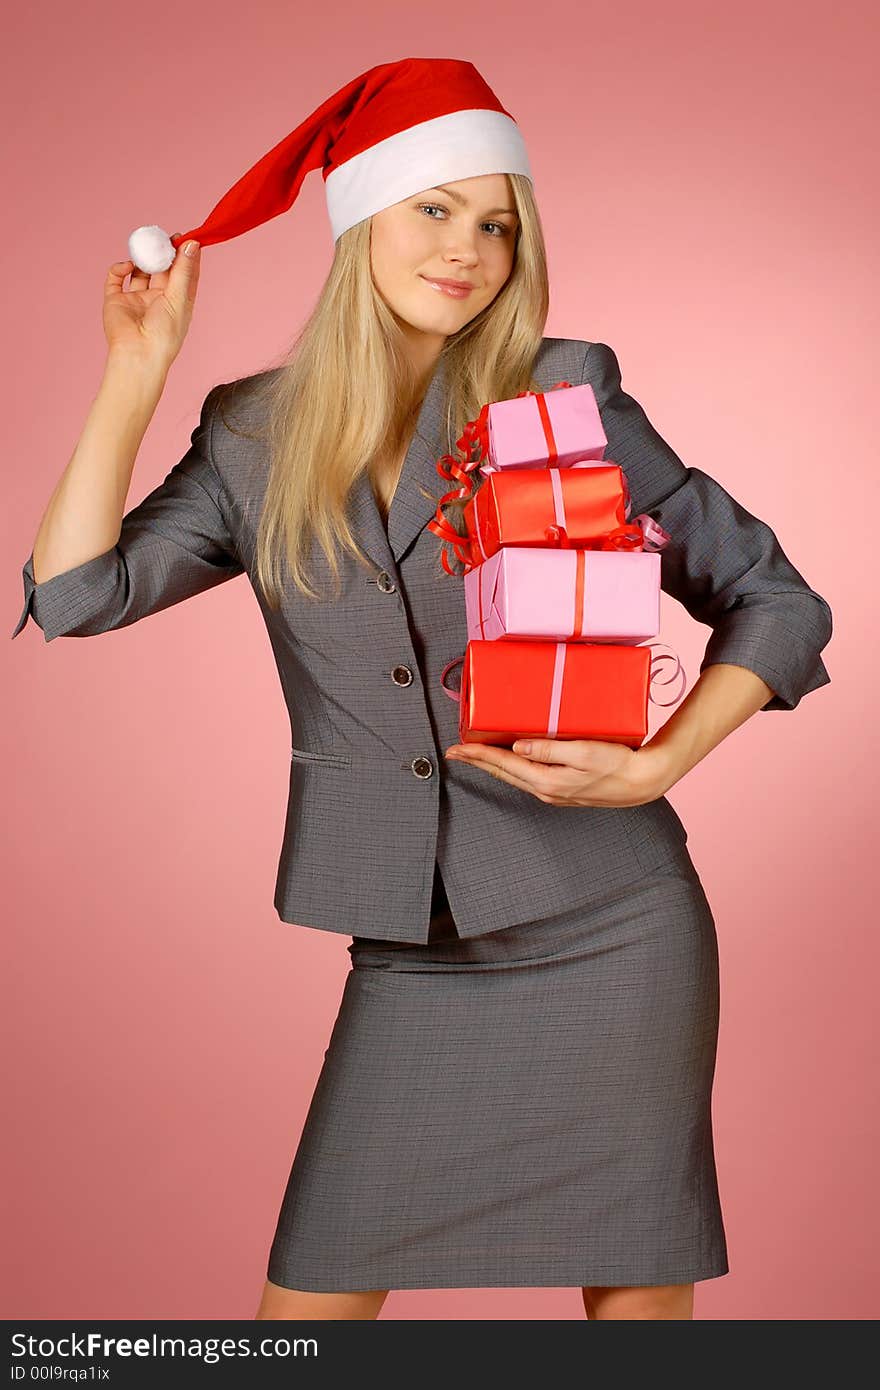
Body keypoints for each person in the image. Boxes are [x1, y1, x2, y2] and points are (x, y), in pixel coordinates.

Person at [13, 59, 833, 1321]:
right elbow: (75, 596)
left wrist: (660, 760)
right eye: (435, 210)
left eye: (496, 222)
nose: (468, 250)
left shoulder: (559, 393)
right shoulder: (253, 433)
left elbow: (777, 599)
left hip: (613, 921)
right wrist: (138, 369)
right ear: (361, 223)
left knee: (632, 1311)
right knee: (308, 1319)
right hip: (412, 944)